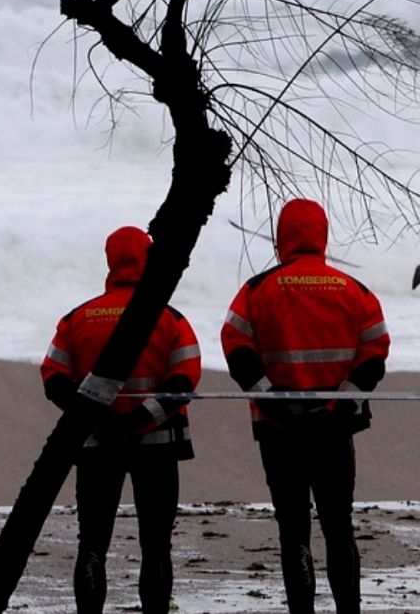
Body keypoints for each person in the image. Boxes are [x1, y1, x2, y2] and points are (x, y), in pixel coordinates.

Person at [222, 198, 390, 614]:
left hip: (279, 431)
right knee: (338, 527)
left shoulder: (257, 290)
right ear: (323, 235)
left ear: (281, 236)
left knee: (294, 531)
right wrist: (343, 402)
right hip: (335, 431)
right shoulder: (354, 289)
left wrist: (268, 397)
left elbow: (234, 344)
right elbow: (376, 351)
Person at [40, 225, 201, 614]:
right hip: (158, 444)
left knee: (92, 543)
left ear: (110, 260)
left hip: (96, 444)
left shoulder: (78, 317)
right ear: (149, 259)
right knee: (156, 545)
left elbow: (53, 377)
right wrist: (139, 423)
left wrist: (96, 422)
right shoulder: (169, 318)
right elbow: (186, 377)